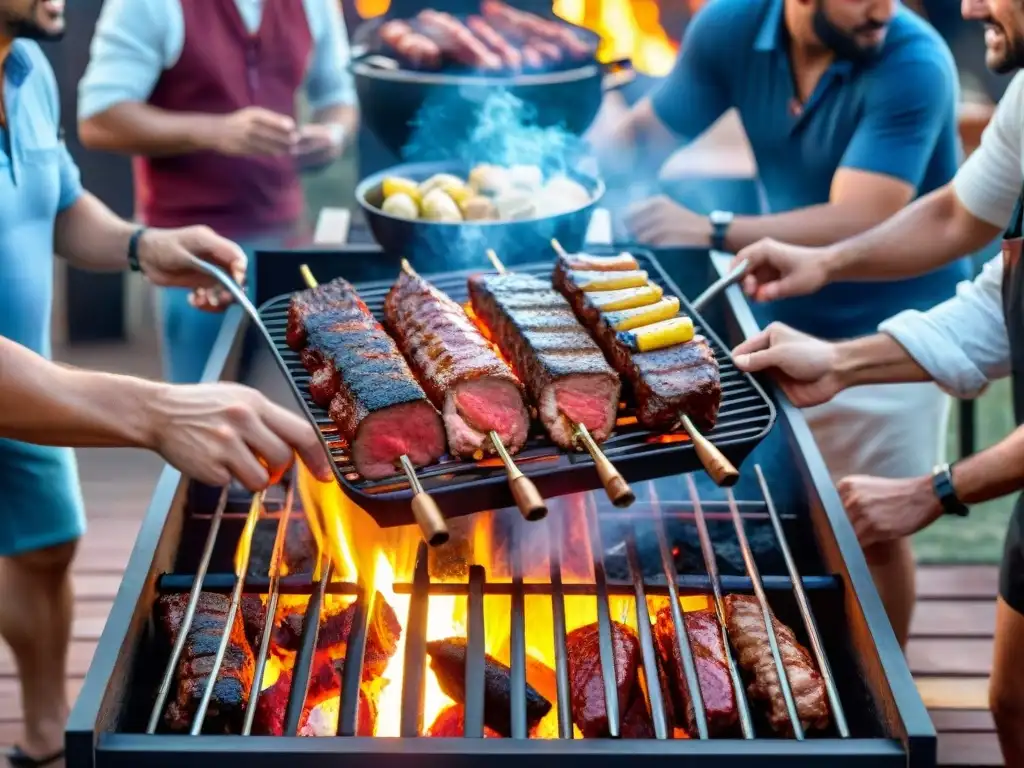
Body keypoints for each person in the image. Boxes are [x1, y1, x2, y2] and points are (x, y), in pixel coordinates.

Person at [589, 0, 971, 648]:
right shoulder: (730, 28)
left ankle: (891, 689)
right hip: (778, 313)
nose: (885, 8)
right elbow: (639, 145)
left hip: (895, 331)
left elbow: (863, 216)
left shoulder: (917, 61)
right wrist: (584, 113)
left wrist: (712, 228)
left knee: (866, 525)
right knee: (775, 512)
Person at [0, 2, 320, 765]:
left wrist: (145, 246)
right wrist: (155, 407)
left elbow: (61, 204)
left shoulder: (25, 67)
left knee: (45, 544)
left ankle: (44, 737)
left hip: (31, 383)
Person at [726, 0, 1024, 760]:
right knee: (1015, 701)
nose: (970, 6)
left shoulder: (915, 61)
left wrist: (938, 490)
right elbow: (965, 222)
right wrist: (838, 347)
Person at [77, 0, 359, 384]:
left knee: (289, 390)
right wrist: (215, 132)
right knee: (198, 396)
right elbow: (98, 118)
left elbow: (338, 97)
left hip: (285, 233)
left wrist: (333, 135)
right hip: (190, 246)